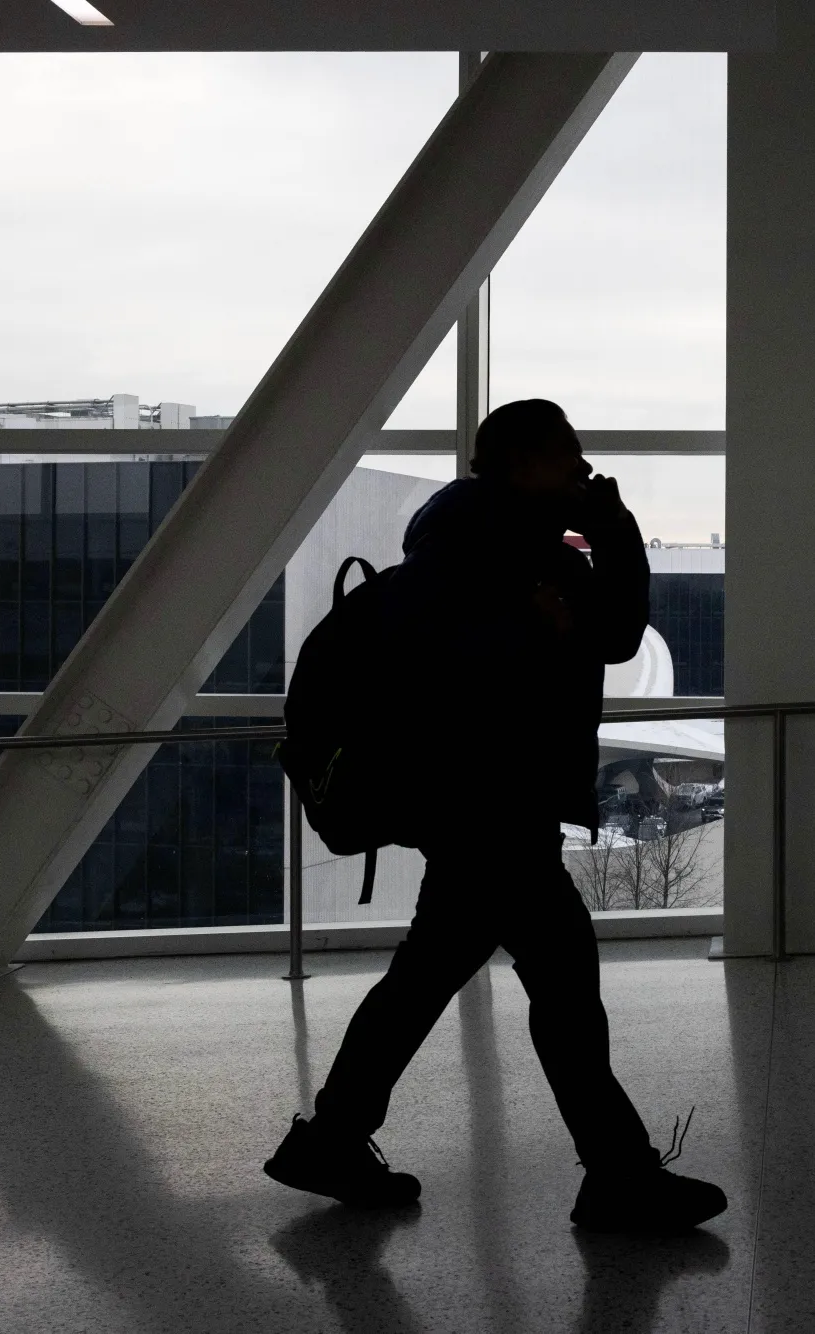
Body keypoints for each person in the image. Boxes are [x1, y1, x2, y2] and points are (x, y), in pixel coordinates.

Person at [265, 398, 727, 1232]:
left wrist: (609, 530)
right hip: (493, 807)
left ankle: (332, 1139)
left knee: (433, 981)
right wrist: (551, 627)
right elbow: (528, 660)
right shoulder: (498, 557)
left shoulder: (515, 548)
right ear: (522, 462)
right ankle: (617, 1173)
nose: (584, 470)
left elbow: (613, 636)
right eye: (569, 457)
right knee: (560, 988)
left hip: (480, 808)